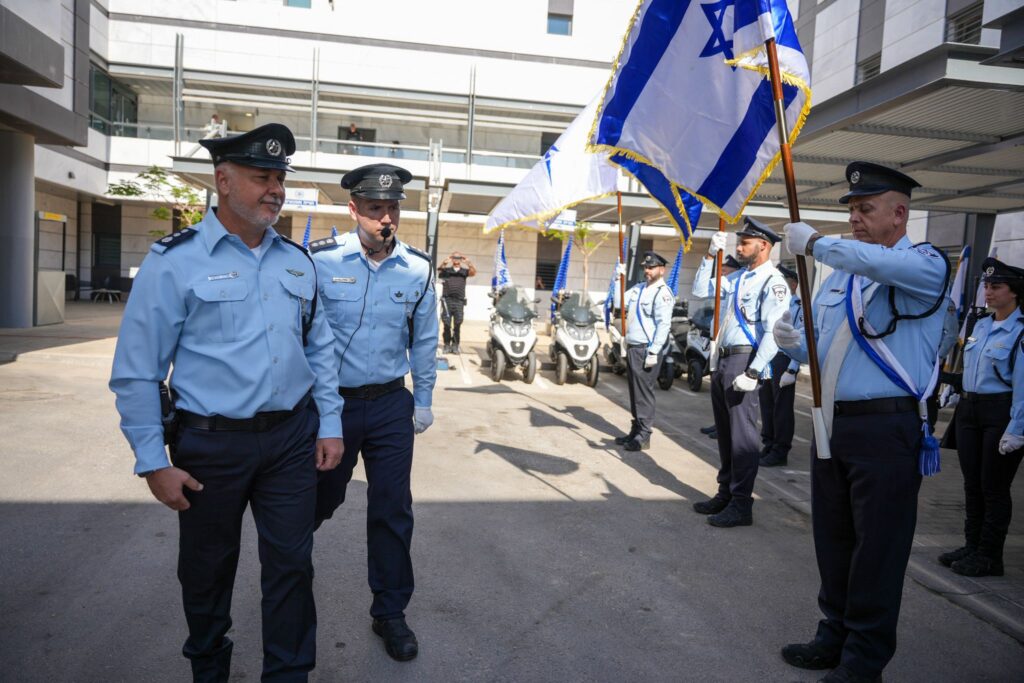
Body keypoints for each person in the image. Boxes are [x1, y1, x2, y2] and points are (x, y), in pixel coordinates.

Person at [109, 123, 344, 682]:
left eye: (280, 178)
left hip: (290, 439)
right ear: (223, 180)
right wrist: (153, 461)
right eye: (262, 177)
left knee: (292, 566)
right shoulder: (175, 260)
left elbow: (320, 349)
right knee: (207, 571)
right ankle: (209, 669)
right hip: (210, 445)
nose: (276, 189)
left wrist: (330, 423)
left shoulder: (297, 261)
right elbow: (137, 372)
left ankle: (288, 674)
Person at [773, 162, 950, 682]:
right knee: (834, 540)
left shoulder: (925, 265)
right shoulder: (844, 276)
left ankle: (863, 662)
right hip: (833, 423)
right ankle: (834, 635)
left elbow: (873, 262)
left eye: (865, 208)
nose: (854, 218)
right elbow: (829, 349)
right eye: (851, 209)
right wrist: (794, 344)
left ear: (899, 214)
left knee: (878, 550)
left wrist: (814, 243)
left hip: (886, 429)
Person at [309, 163, 438, 662]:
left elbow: (423, 340)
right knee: (316, 500)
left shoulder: (417, 268)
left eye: (393, 208)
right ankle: (290, 584)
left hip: (388, 404)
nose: (386, 218)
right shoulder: (320, 260)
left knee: (392, 508)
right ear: (353, 209)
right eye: (375, 208)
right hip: (332, 404)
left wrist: (422, 399)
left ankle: (390, 611)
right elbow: (302, 334)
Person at [690, 217, 790, 527]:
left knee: (742, 437)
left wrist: (755, 371)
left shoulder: (773, 282)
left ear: (764, 245)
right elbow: (700, 290)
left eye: (745, 242)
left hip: (745, 360)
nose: (739, 247)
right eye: (739, 241)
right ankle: (726, 492)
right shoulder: (739, 278)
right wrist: (710, 256)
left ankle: (741, 503)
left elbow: (774, 332)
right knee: (725, 433)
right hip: (724, 358)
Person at [938, 257, 1024, 577]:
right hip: (970, 411)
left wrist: (1017, 429)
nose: (988, 292)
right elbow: (972, 368)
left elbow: (1023, 387)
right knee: (972, 484)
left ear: (1014, 292)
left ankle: (990, 556)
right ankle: (972, 545)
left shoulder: (1020, 331)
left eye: (996, 286)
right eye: (987, 285)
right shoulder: (981, 324)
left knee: (993, 487)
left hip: (1000, 413)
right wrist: (955, 388)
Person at [613, 251, 674, 451]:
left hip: (646, 349)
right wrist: (618, 279)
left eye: (651, 267)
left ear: (661, 270)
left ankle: (644, 435)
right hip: (633, 347)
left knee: (643, 394)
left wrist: (654, 351)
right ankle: (636, 429)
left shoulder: (662, 293)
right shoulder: (639, 288)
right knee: (635, 392)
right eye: (646, 267)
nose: (647, 270)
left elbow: (663, 325)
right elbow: (618, 303)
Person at [758, 264, 802, 467]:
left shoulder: (798, 306)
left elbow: (800, 338)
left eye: (783, 280)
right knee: (766, 404)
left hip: (784, 359)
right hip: (769, 357)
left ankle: (780, 450)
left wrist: (792, 368)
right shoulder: (772, 302)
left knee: (782, 409)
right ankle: (768, 444)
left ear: (793, 284)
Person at [700, 254, 742, 440]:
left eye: (725, 270)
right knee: (717, 388)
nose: (722, 273)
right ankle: (719, 423)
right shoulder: (724, 287)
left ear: (735, 271)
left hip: (731, 346)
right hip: (717, 343)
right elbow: (700, 289)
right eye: (721, 270)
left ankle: (726, 427)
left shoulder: (736, 285)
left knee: (727, 390)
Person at [438, 251, 477, 354]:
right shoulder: (447, 270)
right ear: (452, 259)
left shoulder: (464, 271)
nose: (456, 259)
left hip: (459, 301)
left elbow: (473, 273)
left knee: (457, 324)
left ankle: (455, 345)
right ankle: (447, 345)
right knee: (446, 324)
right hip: (447, 300)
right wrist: (444, 263)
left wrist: (469, 263)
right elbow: (439, 272)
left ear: (461, 259)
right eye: (454, 257)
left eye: (458, 258)